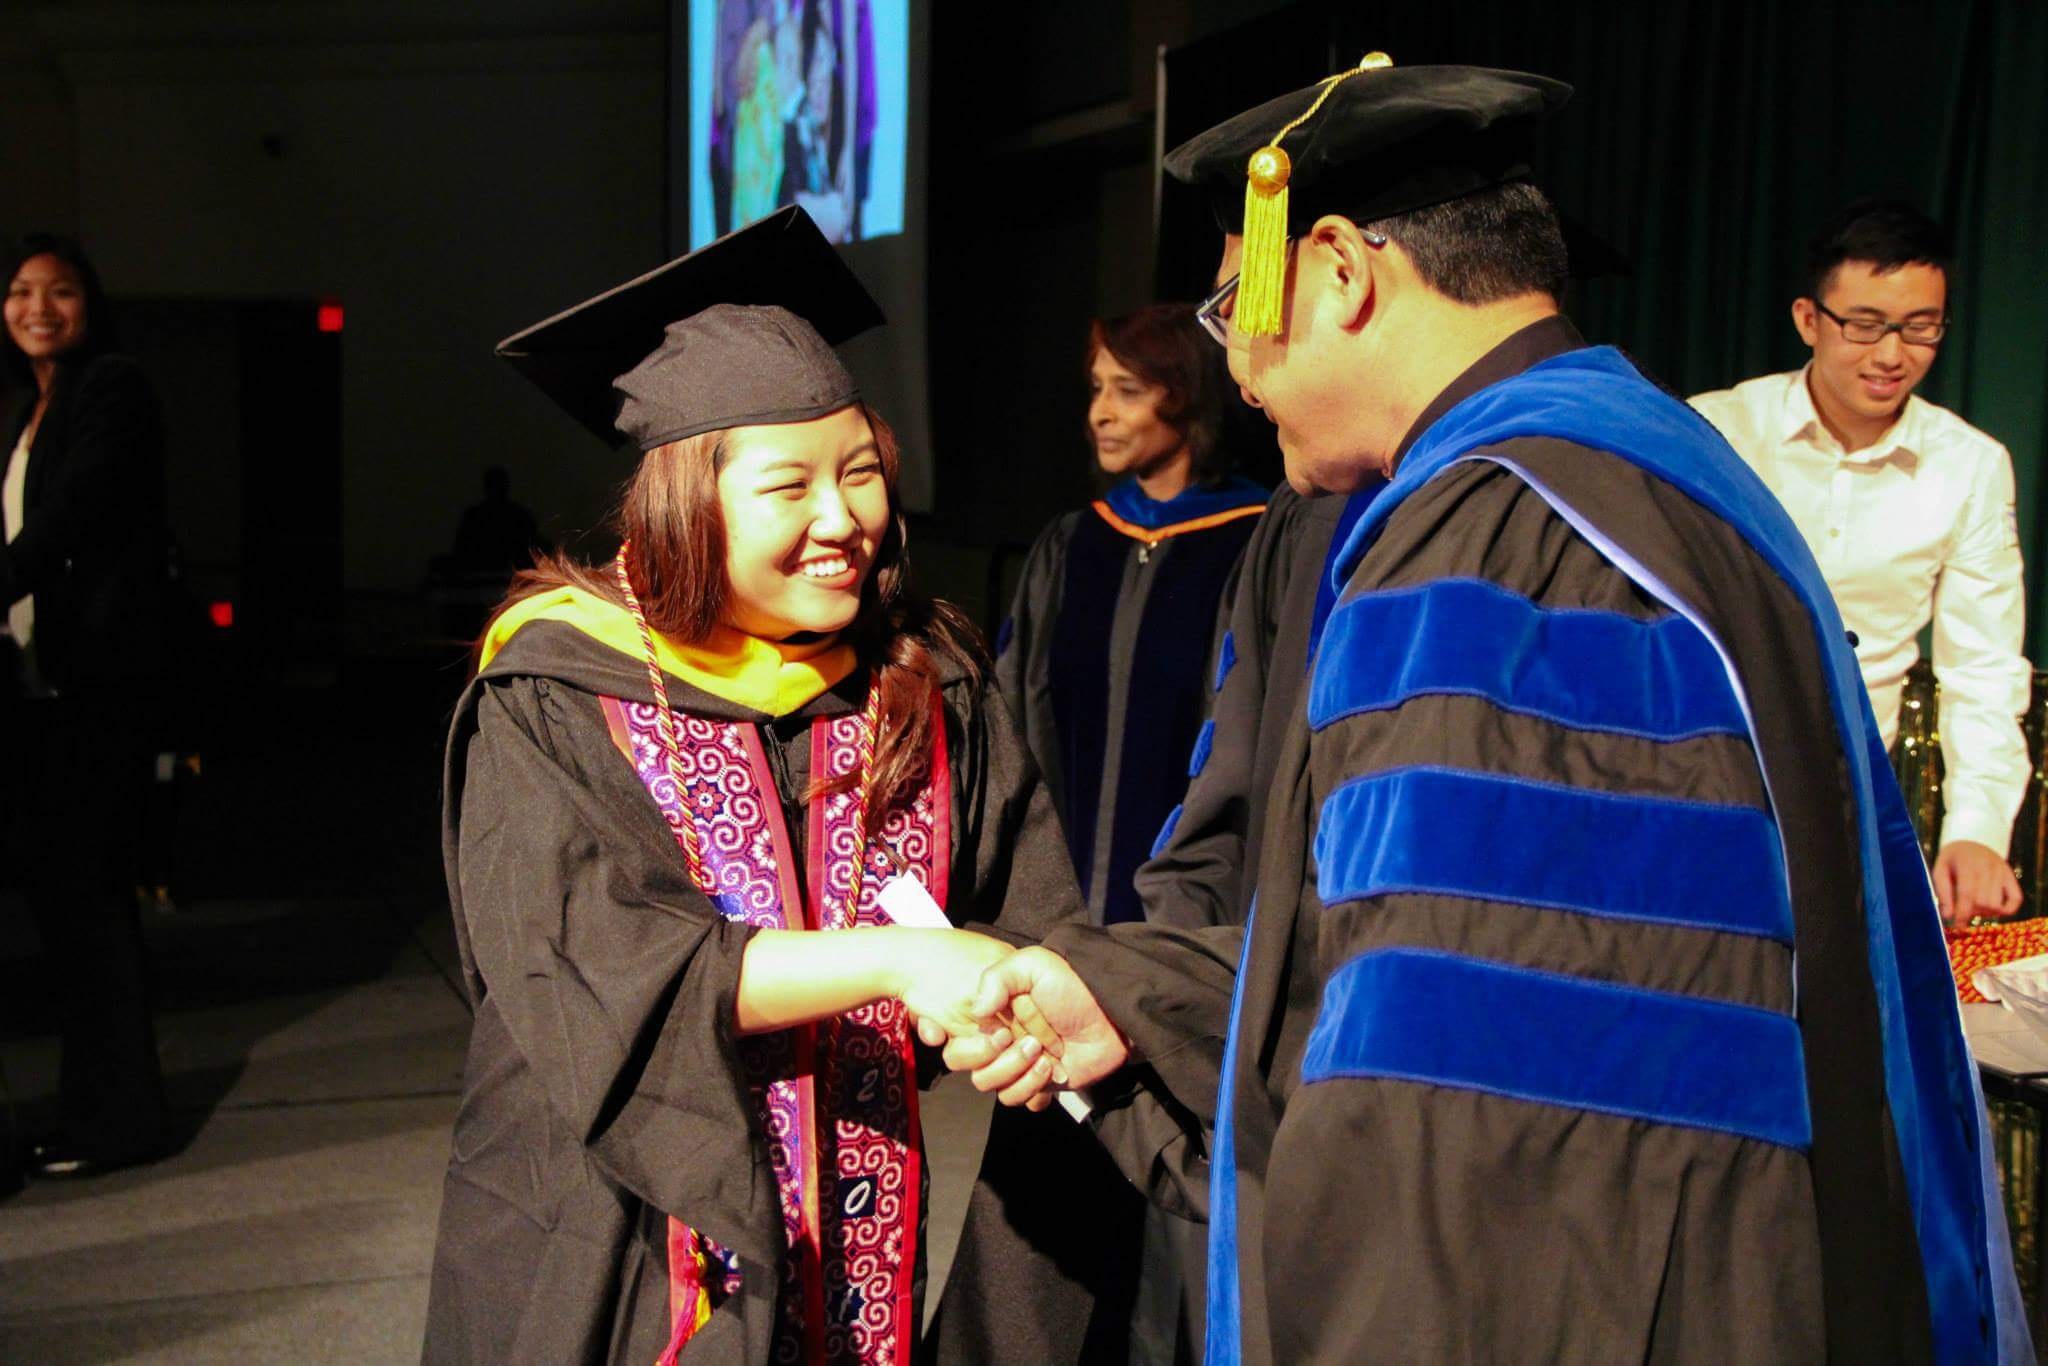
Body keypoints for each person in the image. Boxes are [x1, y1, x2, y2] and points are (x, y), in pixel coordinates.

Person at [942, 59, 2030, 1361]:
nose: (1239, 370)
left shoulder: (1485, 540)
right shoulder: (1652, 468)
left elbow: (1462, 1101)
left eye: (1238, 310)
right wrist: (1131, 991)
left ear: (1339, 270)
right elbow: (1441, 945)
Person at [421, 206, 1101, 1364]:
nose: (842, 519)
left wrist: (1021, 1009)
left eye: (860, 474)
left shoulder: (922, 678)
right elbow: (604, 967)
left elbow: (1026, 918)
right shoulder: (554, 689)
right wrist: (898, 961)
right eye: (788, 487)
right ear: (684, 503)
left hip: (863, 1225)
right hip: (611, 1237)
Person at [1691, 201, 2029, 925]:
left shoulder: (1970, 466)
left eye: (1919, 328)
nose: (1890, 355)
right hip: (1694, 771)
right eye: (1866, 324)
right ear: (1809, 320)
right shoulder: (1716, 430)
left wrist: (1976, 829)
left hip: (1843, 798)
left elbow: (1984, 667)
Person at [998, 303, 1265, 927]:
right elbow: (1017, 708)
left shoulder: (1251, 544)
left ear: (1187, 396)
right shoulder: (1073, 544)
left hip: (1196, 911)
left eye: (1129, 391)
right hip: (1061, 897)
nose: (1101, 414)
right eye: (1096, 389)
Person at [0, 232, 173, 1182]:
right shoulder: (26, 407)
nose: (37, 306)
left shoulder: (111, 387)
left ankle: (122, 1123)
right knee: (64, 918)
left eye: (59, 291)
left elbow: (79, 512)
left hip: (91, 691)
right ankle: (83, 1114)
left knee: (95, 911)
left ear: (89, 303)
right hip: (34, 691)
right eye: (20, 290)